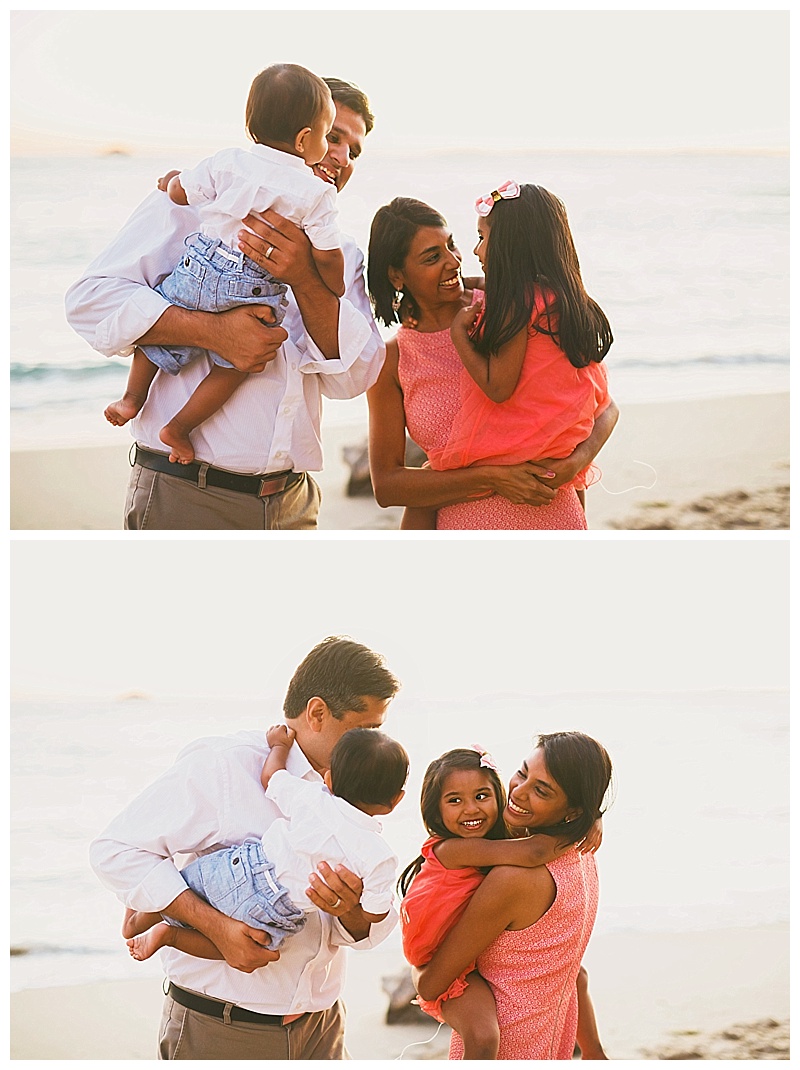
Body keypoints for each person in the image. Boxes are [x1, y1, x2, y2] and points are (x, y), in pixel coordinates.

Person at [66, 78, 381, 530]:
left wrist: (304, 278)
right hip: (186, 494)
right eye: (333, 137)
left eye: (355, 151)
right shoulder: (201, 206)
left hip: (293, 505)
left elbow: (355, 377)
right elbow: (89, 302)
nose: (342, 158)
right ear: (301, 134)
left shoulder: (340, 256)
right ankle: (136, 401)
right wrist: (212, 332)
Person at [89, 636, 401, 1060]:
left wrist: (350, 910)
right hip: (222, 1029)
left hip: (324, 1030)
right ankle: (154, 918)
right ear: (317, 713)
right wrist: (217, 928)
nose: (371, 742)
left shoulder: (362, 790)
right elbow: (114, 851)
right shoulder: (225, 766)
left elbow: (368, 928)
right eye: (365, 729)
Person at [105, 64, 347, 466]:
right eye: (327, 134)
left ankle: (132, 397)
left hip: (201, 267)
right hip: (251, 289)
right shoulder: (316, 191)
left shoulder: (228, 161)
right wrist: (329, 278)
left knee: (157, 317)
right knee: (238, 364)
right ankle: (179, 428)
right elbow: (326, 258)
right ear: (306, 139)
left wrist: (169, 182)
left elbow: (182, 192)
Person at [367, 198, 619, 529]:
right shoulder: (391, 361)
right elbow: (387, 485)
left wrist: (575, 463)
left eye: (452, 245)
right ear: (396, 276)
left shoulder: (513, 308)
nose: (454, 261)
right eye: (432, 257)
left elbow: (604, 406)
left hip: (553, 515)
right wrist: (494, 478)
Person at [124, 725, 407, 963]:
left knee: (190, 883)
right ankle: (169, 935)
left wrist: (279, 746)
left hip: (246, 868)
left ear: (329, 780)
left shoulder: (313, 797)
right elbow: (374, 913)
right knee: (245, 949)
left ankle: (140, 917)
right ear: (396, 800)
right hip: (280, 909)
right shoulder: (381, 857)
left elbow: (270, 777)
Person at [413, 732, 613, 1060]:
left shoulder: (513, 879)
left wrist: (416, 969)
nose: (518, 791)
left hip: (507, 1048)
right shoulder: (582, 855)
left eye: (541, 790)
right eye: (522, 773)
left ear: (573, 810)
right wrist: (595, 1053)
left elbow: (432, 986)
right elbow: (575, 972)